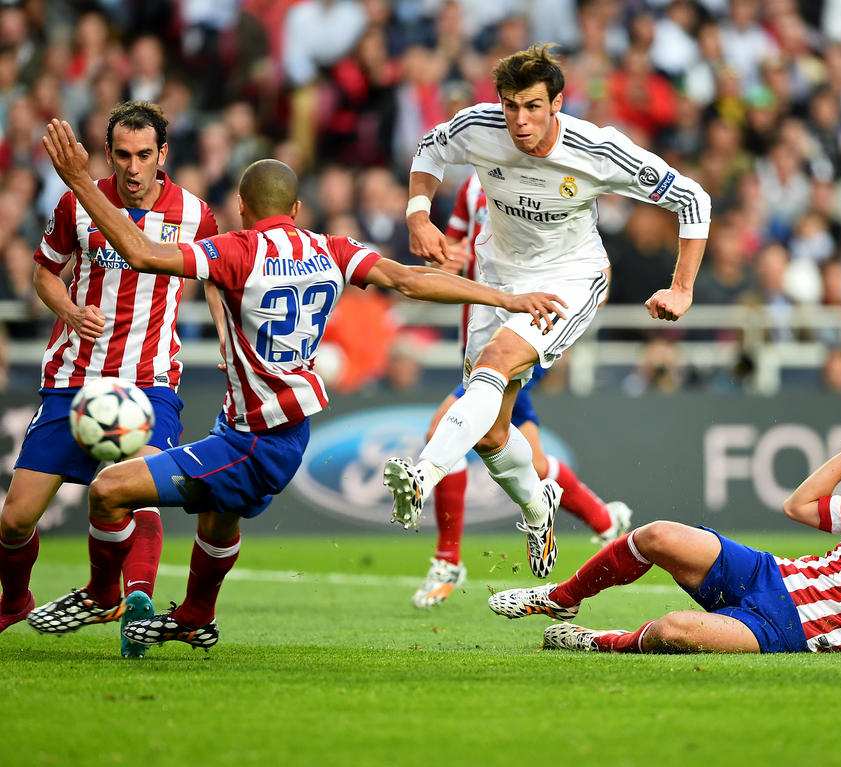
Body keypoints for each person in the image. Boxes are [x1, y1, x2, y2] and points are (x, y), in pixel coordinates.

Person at [25, 118, 565, 651]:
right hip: (277, 427)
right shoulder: (330, 247)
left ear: (241, 208)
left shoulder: (234, 250)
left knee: (109, 490)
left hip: (255, 438)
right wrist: (505, 299)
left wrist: (77, 181)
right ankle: (195, 615)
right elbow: (409, 278)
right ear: (297, 210)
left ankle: (103, 595)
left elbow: (142, 253)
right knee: (218, 519)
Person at [385, 43, 711, 580]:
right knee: (491, 433)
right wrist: (419, 217)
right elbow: (429, 149)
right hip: (497, 273)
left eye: (532, 106)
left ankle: (423, 475)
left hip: (570, 277)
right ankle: (539, 510)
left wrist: (681, 287)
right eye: (511, 105)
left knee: (496, 360)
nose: (519, 119)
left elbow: (693, 199)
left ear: (557, 102)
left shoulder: (598, 151)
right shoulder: (480, 127)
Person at [488, 425, 841, 654]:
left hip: (787, 629)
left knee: (675, 631)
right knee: (656, 535)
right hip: (772, 574)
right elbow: (798, 507)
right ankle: (558, 600)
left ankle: (595, 641)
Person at [0, 101, 219, 659]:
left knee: (136, 491)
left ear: (163, 154)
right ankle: (16, 599)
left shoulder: (195, 215)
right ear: (108, 154)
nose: (133, 167)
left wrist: (225, 337)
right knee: (13, 520)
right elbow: (45, 272)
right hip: (75, 379)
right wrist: (70, 311)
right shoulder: (78, 205)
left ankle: (136, 603)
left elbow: (220, 279)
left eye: (144, 155)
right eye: (122, 155)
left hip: (148, 383)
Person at [412, 172, 632, 609]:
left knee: (445, 430)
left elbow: (589, 264)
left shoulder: (547, 179)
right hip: (479, 333)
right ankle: (606, 519)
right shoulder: (472, 190)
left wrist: (568, 322)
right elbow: (453, 250)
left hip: (516, 334)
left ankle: (447, 559)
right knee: (526, 458)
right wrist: (444, 255)